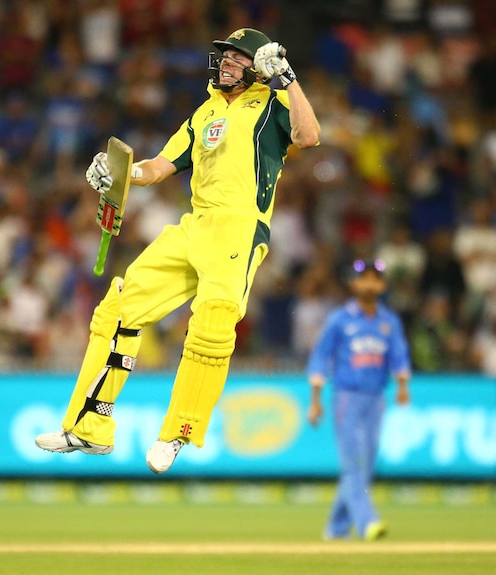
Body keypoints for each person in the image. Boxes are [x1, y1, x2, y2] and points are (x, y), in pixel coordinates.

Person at [35, 28, 320, 474]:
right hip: (195, 225)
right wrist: (120, 175)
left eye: (235, 57)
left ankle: (178, 434)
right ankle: (89, 428)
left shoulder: (273, 103)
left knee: (211, 325)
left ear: (257, 66)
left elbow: (309, 137)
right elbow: (159, 167)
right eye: (222, 55)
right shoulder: (203, 113)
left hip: (240, 226)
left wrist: (287, 79)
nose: (224, 62)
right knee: (116, 310)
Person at [306, 259, 411, 541]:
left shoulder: (389, 322)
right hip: (346, 398)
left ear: (383, 285)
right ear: (353, 284)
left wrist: (402, 385)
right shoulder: (340, 320)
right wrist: (315, 400)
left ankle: (337, 528)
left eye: (375, 278)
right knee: (353, 463)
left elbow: (399, 355)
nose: (369, 283)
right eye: (363, 278)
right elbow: (320, 358)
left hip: (375, 399)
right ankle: (367, 523)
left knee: (367, 465)